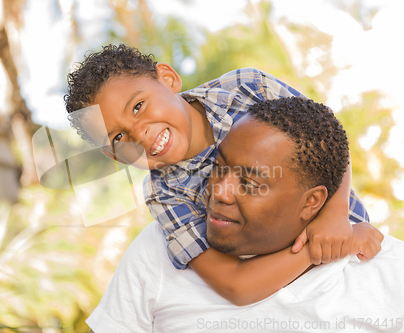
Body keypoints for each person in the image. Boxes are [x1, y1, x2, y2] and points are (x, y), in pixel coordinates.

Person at [64, 44, 370, 305]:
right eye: (117, 138)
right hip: (289, 289)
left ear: (167, 79)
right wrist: (319, 251)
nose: (139, 134)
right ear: (112, 154)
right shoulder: (165, 195)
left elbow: (327, 138)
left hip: (357, 256)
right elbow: (235, 284)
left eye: (138, 106)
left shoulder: (245, 88)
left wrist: (336, 212)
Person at [85, 97, 402, 333]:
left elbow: (333, 142)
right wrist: (316, 250)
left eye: (250, 183)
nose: (219, 192)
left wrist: (339, 218)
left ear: (313, 202)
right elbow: (238, 287)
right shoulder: (157, 252)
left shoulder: (387, 272)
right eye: (218, 168)